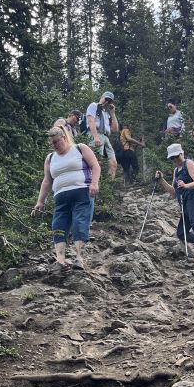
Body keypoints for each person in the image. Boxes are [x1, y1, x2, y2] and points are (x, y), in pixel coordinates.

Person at [31, 125, 100, 269]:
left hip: (82, 191)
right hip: (61, 196)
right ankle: (60, 261)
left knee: (80, 222)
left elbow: (95, 166)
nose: (55, 145)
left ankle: (79, 258)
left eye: (57, 141)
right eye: (52, 143)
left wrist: (94, 183)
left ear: (64, 137)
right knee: (58, 225)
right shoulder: (50, 158)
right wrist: (40, 201)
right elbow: (47, 181)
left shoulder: (80, 148)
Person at [155, 143, 194, 259]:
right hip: (184, 202)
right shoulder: (176, 170)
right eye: (172, 157)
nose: (175, 159)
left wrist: (186, 185)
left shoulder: (189, 163)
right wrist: (161, 180)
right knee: (181, 233)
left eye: (176, 156)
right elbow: (174, 192)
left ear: (182, 153)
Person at [86, 91, 119, 179]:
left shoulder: (107, 113)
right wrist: (95, 137)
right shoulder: (94, 106)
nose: (107, 102)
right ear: (102, 97)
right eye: (106, 99)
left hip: (105, 137)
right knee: (96, 161)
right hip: (95, 133)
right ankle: (93, 182)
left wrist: (112, 113)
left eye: (109, 101)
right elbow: (90, 121)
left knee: (113, 163)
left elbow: (115, 129)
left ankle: (109, 183)